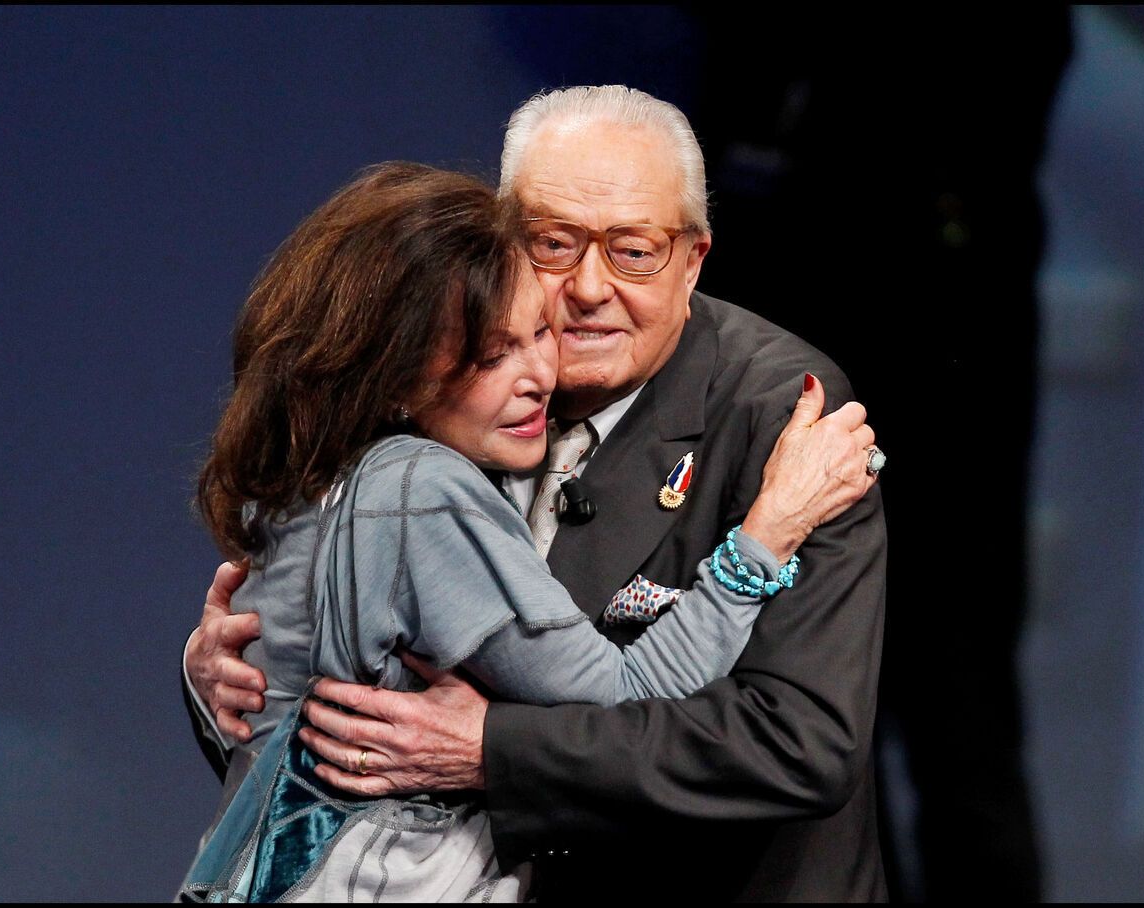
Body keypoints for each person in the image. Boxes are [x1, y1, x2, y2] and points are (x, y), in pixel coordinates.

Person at [187, 85, 889, 901]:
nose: (589, 288)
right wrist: (234, 679)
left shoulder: (781, 412)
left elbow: (796, 742)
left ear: (694, 258)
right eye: (553, 243)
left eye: (632, 250)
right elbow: (342, 691)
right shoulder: (438, 382)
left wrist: (496, 752)